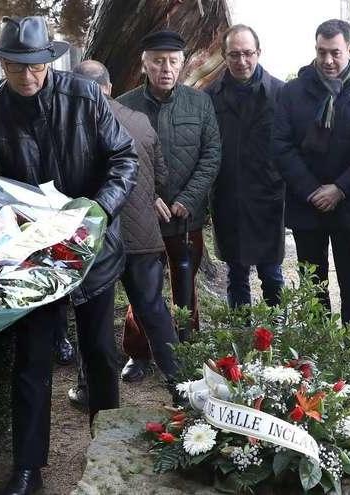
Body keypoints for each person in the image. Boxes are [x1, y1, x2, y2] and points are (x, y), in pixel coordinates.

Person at [0, 17, 137, 495]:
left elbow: (124, 158)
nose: (27, 77)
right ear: (2, 64)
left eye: (36, 67)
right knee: (32, 362)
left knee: (101, 353)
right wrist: (15, 226)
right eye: (16, 68)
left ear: (49, 61)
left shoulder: (84, 98)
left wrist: (98, 209)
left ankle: (111, 447)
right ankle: (28, 466)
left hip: (91, 249)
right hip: (33, 260)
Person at [68, 60, 180, 408]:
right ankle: (182, 384)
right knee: (153, 308)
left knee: (94, 317)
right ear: (110, 86)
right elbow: (161, 176)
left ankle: (89, 389)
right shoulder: (139, 121)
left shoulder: (70, 126)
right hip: (141, 234)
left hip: (94, 237)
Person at [117, 30, 221, 382]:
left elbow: (211, 154)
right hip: (141, 218)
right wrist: (149, 198)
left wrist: (187, 200)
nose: (166, 68)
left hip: (185, 216)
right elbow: (118, 160)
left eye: (173, 62)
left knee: (185, 283)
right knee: (141, 290)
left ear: (182, 63)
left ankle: (185, 351)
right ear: (145, 63)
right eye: (158, 61)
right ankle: (139, 352)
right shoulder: (124, 105)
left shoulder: (199, 103)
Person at [272, 19, 350, 324]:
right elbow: (281, 145)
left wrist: (341, 188)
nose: (327, 60)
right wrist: (311, 189)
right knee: (313, 289)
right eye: (321, 52)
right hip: (306, 203)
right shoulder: (293, 91)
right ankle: (317, 356)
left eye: (335, 53)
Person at [205, 24, 285, 308]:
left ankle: (277, 340)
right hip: (229, 200)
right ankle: (240, 341)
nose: (242, 62)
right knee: (236, 276)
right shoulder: (210, 96)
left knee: (272, 276)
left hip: (268, 202)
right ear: (224, 56)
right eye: (234, 55)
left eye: (248, 54)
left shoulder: (279, 93)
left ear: (258, 52)